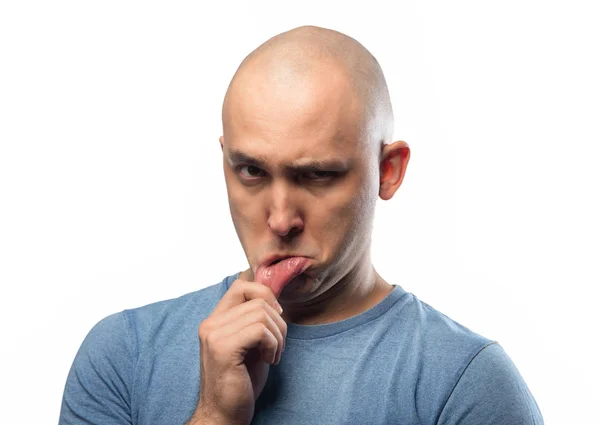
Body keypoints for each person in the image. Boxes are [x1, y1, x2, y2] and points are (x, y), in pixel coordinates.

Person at [59, 25, 544, 425]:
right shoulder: (124, 353)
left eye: (316, 175)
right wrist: (214, 416)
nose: (280, 219)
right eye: (251, 171)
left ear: (389, 171)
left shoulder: (467, 384)